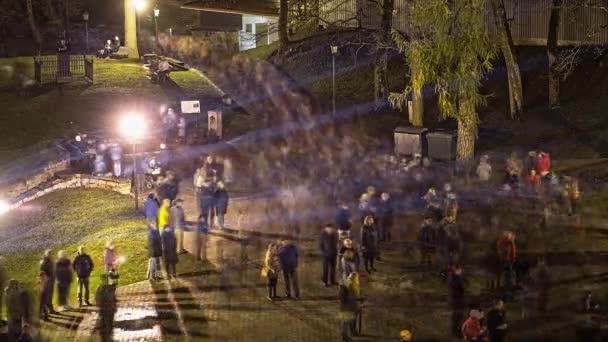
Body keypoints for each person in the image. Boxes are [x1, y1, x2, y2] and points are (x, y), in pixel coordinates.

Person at [339, 272, 361, 341]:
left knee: (352, 318)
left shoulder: (354, 283)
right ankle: (345, 336)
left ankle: (352, 332)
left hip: (351, 303)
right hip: (347, 304)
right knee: (346, 320)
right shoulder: (347, 284)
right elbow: (345, 296)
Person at [96, 274, 117, 342]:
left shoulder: (110, 287)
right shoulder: (100, 288)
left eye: (106, 279)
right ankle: (105, 338)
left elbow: (113, 298)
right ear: (102, 280)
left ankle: (109, 338)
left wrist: (114, 306)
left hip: (110, 309)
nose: (106, 281)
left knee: (109, 324)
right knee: (105, 324)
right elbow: (98, 299)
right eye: (104, 279)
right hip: (105, 309)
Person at [448, 265, 466, 338]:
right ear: (456, 270)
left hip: (457, 300)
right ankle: (456, 332)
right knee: (457, 317)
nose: (461, 271)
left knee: (458, 317)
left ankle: (456, 331)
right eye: (460, 270)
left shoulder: (456, 278)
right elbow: (457, 290)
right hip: (456, 301)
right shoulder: (454, 279)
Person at [39, 250, 55, 319]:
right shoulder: (43, 262)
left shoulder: (51, 261)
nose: (51, 255)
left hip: (52, 280)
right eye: (49, 254)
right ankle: (45, 312)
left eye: (51, 254)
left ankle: (50, 310)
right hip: (46, 281)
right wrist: (45, 280)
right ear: (46, 254)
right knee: (45, 297)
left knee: (50, 295)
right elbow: (41, 273)